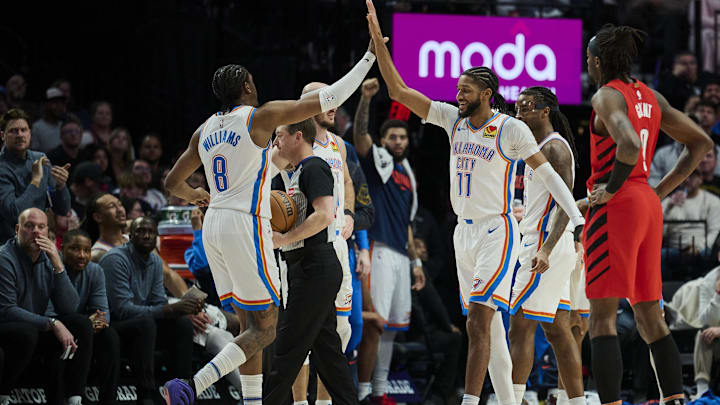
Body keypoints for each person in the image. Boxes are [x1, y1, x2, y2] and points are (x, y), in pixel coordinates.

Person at [364, 4, 586, 405]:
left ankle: (469, 400)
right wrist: (378, 48)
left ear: (486, 93)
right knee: (491, 329)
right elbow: (399, 91)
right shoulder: (452, 120)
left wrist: (574, 216)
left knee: (478, 322)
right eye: (457, 89)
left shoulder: (510, 128)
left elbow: (550, 176)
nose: (457, 94)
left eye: (465, 89)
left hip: (495, 231)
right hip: (461, 233)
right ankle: (508, 401)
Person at [161, 36, 379, 405]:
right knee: (267, 327)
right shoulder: (260, 116)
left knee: (249, 323)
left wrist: (199, 195)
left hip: (215, 222)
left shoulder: (205, 129)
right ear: (247, 86)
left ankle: (250, 400)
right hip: (246, 222)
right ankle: (191, 386)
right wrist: (370, 56)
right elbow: (330, 97)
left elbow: (171, 183)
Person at [583, 24, 713, 405]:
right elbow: (701, 143)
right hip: (647, 205)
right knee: (650, 316)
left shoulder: (606, 96)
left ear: (596, 62)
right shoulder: (649, 95)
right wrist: (656, 191)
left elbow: (627, 143)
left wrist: (610, 187)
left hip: (617, 206)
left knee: (602, 318)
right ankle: (674, 399)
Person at [264, 118, 358, 405]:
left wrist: (284, 238)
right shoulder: (295, 171)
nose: (276, 142)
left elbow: (324, 214)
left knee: (287, 348)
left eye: (279, 135)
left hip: (316, 264)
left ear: (298, 136)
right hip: (307, 266)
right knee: (327, 352)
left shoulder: (315, 166)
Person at [509, 87, 584, 405]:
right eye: (517, 107)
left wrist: (545, 249)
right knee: (558, 331)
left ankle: (510, 400)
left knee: (520, 325)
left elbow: (565, 206)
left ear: (545, 111)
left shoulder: (555, 149)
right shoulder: (535, 148)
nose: (518, 113)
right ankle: (577, 401)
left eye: (526, 107)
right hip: (553, 245)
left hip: (545, 244)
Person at [353, 83, 426, 403]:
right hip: (378, 251)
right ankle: (362, 391)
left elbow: (409, 225)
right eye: (392, 137)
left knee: (393, 327)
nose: (398, 141)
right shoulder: (377, 161)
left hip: (400, 255)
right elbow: (359, 136)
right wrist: (366, 100)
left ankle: (379, 391)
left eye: (403, 137)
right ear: (383, 141)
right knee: (375, 326)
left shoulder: (408, 173)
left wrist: (416, 263)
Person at [290, 81, 356, 405]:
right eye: (327, 99)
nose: (334, 105)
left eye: (335, 99)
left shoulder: (338, 146)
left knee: (341, 331)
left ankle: (327, 402)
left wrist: (350, 215)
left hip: (337, 247)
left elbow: (346, 182)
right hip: (306, 247)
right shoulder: (293, 143)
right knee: (303, 333)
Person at [100, 216, 201, 405]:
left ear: (156, 237)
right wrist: (168, 309)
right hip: (114, 326)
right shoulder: (116, 260)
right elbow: (122, 309)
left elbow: (158, 301)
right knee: (146, 324)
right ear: (130, 236)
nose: (146, 236)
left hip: (145, 324)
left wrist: (184, 309)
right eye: (140, 231)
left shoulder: (154, 261)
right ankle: (146, 394)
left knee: (182, 324)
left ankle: (181, 389)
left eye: (151, 232)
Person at [0, 208, 93, 405]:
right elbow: (7, 309)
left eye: (41, 227)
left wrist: (58, 265)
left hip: (35, 325)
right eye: (29, 226)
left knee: (81, 323)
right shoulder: (4, 258)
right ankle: (3, 395)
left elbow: (69, 307)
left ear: (47, 231)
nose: (36, 231)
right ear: (17, 229)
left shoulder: (49, 257)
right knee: (27, 333)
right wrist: (53, 323)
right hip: (7, 326)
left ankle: (75, 397)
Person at [57, 229, 120, 405]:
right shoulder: (53, 268)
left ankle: (109, 400)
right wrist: (87, 322)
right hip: (58, 326)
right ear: (62, 249)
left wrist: (96, 322)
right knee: (81, 324)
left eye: (86, 250)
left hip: (86, 328)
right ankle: (75, 395)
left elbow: (103, 314)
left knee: (110, 336)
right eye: (75, 249)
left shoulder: (95, 270)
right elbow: (48, 312)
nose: (82, 255)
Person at [0, 108, 71, 243]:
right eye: (13, 131)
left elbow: (63, 209)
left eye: (23, 130)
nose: (20, 135)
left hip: (40, 242)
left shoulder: (40, 158)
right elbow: (15, 214)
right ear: (2, 135)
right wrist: (36, 181)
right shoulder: (2, 167)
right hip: (9, 246)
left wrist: (61, 186)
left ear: (30, 133)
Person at [31, 87, 68, 153]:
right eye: (55, 102)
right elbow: (34, 154)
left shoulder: (65, 125)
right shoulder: (37, 127)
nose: (59, 106)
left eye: (61, 103)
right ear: (45, 105)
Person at [47, 115, 84, 180]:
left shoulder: (85, 155)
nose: (73, 134)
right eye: (69, 131)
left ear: (81, 135)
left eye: (77, 131)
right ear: (61, 136)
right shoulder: (52, 157)